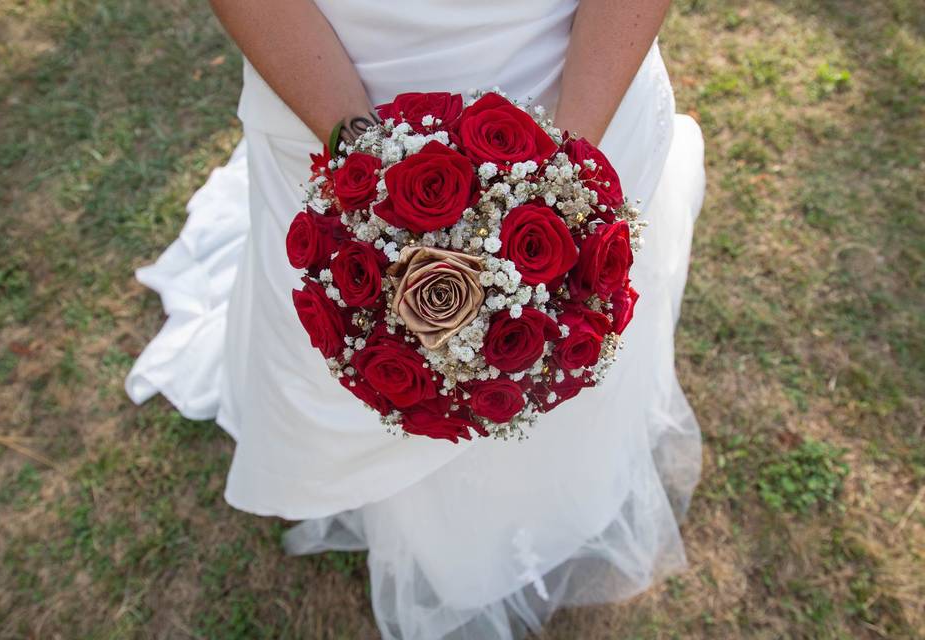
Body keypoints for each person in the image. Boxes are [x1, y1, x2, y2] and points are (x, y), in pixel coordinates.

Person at [126, 1, 706, 637]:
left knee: (551, 347)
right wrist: (361, 169)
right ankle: (419, 529)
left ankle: (527, 516)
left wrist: (564, 170)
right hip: (329, 79)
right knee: (377, 351)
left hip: (583, 73)